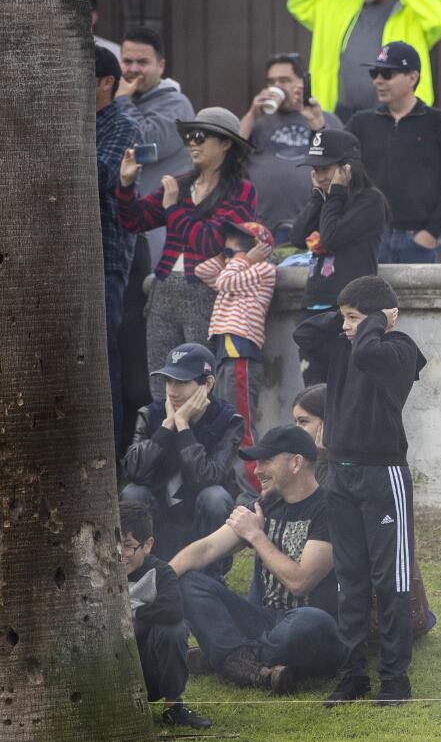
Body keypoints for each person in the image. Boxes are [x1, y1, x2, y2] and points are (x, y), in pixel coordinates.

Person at [293, 276, 426, 707]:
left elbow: (370, 352)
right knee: (349, 581)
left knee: (391, 581)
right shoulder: (343, 342)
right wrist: (346, 313)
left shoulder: (400, 349)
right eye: (345, 319)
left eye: (354, 319)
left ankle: (394, 680)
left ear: (382, 318)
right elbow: (304, 332)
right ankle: (352, 677)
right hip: (341, 476)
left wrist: (372, 323)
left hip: (382, 475)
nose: (346, 327)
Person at [171, 425, 345, 693]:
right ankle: (245, 663)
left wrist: (256, 536)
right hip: (263, 621)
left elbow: (300, 583)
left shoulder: (330, 508)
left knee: (310, 621)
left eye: (266, 460)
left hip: (311, 631)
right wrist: (158, 581)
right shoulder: (264, 504)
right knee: (189, 582)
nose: (257, 470)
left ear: (296, 463)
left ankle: (224, 655)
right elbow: (206, 549)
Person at [115, 106, 257, 401]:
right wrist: (126, 185)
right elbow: (133, 221)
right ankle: (165, 444)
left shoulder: (241, 191)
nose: (192, 142)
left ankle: (200, 446)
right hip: (163, 290)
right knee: (160, 383)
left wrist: (173, 209)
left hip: (205, 293)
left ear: (226, 143)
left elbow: (208, 244)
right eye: (189, 136)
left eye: (201, 136)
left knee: (200, 384)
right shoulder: (179, 184)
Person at [289, 383, 437, 636]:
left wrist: (331, 455)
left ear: (330, 423)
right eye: (294, 423)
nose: (296, 431)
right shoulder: (315, 464)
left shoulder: (361, 466)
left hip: (366, 603)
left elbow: (327, 519)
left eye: (303, 422)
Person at [286, 0, 441, 119]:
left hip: (394, 115)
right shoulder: (339, 5)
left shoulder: (411, 14)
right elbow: (297, 3)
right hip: (339, 112)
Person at [120, 344, 243, 576]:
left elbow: (209, 477)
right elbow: (134, 471)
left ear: (207, 384)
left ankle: (211, 578)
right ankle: (138, 574)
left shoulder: (228, 420)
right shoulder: (151, 414)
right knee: (133, 494)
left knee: (215, 497)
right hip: (159, 522)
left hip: (199, 525)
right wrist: (167, 427)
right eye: (168, 382)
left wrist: (184, 426)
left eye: (182, 382)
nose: (172, 391)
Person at [347, 41, 441, 263]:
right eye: (375, 73)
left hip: (419, 240)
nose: (378, 80)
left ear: (412, 78)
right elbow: (335, 169)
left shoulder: (440, 123)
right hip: (371, 238)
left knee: (419, 300)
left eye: (387, 73)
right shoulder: (360, 123)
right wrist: (316, 125)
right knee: (367, 298)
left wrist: (430, 234)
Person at [194, 221, 277, 504]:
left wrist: (242, 258)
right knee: (226, 422)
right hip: (225, 350)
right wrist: (228, 255)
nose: (233, 244)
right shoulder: (238, 267)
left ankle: (254, 492)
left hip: (241, 350)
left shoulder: (263, 270)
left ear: (260, 247)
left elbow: (224, 282)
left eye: (241, 240)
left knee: (242, 426)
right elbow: (201, 270)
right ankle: (235, 487)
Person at [120, 501, 211, 729]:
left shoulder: (160, 572)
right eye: (113, 545)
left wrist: (135, 614)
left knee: (174, 628)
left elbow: (172, 609)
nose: (120, 554)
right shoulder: (98, 570)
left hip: (150, 668)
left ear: (148, 545)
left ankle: (173, 707)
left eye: (128, 546)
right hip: (110, 667)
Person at [289, 130, 388, 330]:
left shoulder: (370, 200)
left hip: (350, 307)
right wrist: (317, 196)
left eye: (325, 168)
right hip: (313, 305)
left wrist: (335, 194)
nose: (320, 176)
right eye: (316, 170)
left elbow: (330, 238)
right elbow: (298, 237)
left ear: (348, 168)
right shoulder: (326, 201)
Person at [116, 26, 196, 269]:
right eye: (127, 61)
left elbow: (147, 145)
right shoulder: (123, 99)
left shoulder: (177, 104)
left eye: (143, 62)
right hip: (128, 222)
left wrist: (122, 100)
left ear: (161, 66)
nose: (133, 69)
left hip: (160, 227)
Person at [239, 52, 342, 240]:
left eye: (284, 80)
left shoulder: (324, 118)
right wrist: (252, 114)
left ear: (301, 83)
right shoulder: (259, 122)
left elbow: (341, 163)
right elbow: (231, 158)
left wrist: (316, 122)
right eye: (272, 82)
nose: (277, 86)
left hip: (313, 228)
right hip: (263, 228)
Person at [96, 45, 143, 453]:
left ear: (106, 83)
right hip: (60, 263)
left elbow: (101, 175)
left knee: (103, 360)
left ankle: (108, 458)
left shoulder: (123, 125)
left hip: (106, 260)